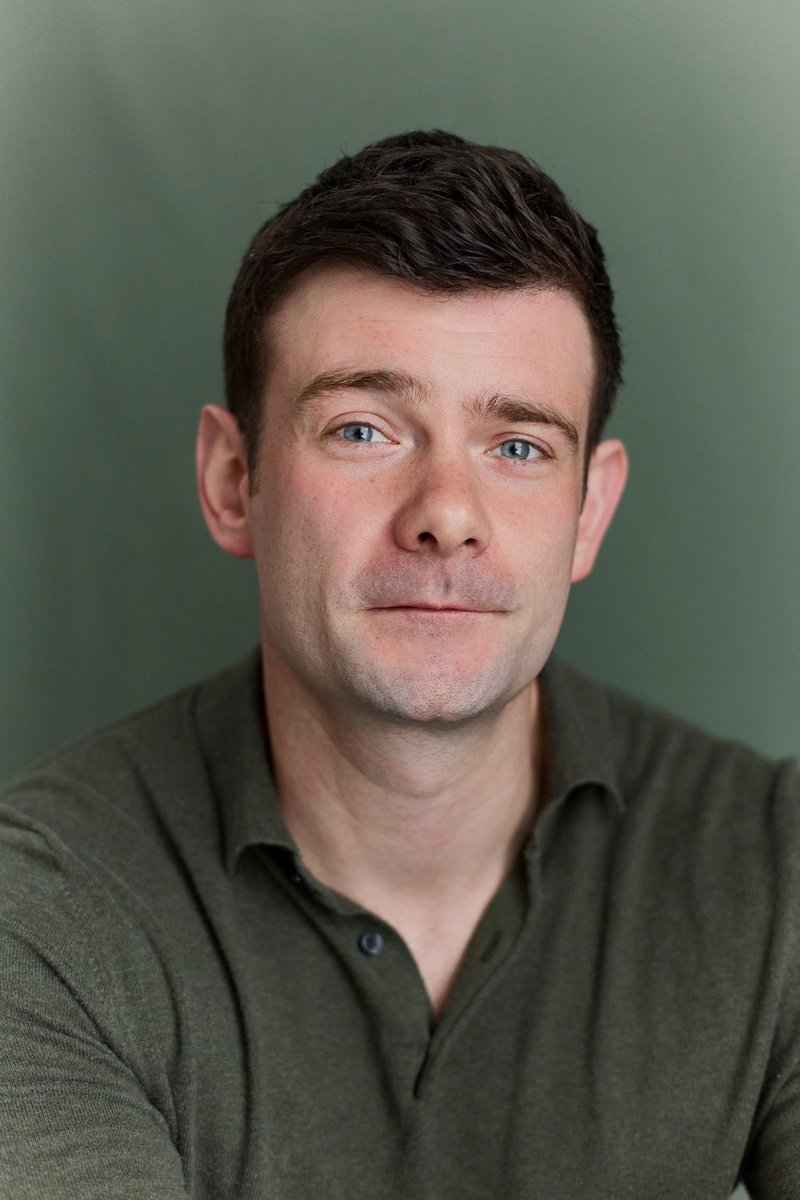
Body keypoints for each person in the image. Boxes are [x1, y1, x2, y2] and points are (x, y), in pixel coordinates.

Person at [0, 130, 797, 1200]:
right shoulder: (37, 914)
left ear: (587, 512)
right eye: (364, 429)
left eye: (516, 446)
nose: (446, 518)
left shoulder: (777, 872)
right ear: (234, 481)